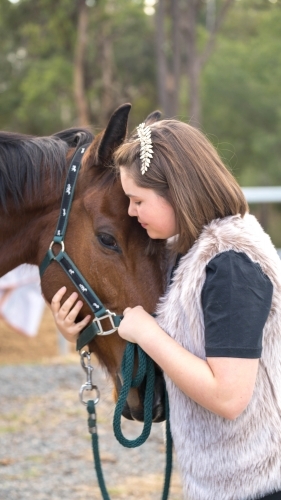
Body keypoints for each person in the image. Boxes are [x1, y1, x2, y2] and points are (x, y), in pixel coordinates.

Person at [50, 118, 281, 500]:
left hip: (260, 484)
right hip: (226, 482)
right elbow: (177, 365)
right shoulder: (191, 256)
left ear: (177, 191)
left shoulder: (231, 265)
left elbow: (227, 396)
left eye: (137, 200)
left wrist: (148, 332)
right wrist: (83, 334)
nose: (130, 211)